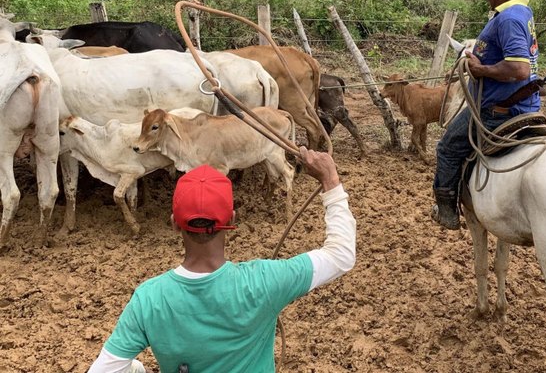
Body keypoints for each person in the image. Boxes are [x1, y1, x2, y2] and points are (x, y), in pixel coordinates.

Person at [87, 147, 355, 373]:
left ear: (175, 224)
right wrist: (330, 180)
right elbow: (340, 255)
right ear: (232, 220)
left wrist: (135, 368)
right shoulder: (264, 280)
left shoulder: (149, 299)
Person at [432, 0, 540, 230]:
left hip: (496, 110)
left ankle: (446, 209)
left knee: (447, 147)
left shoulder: (509, 19)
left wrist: (481, 70)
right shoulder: (522, 12)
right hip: (524, 104)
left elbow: (519, 69)